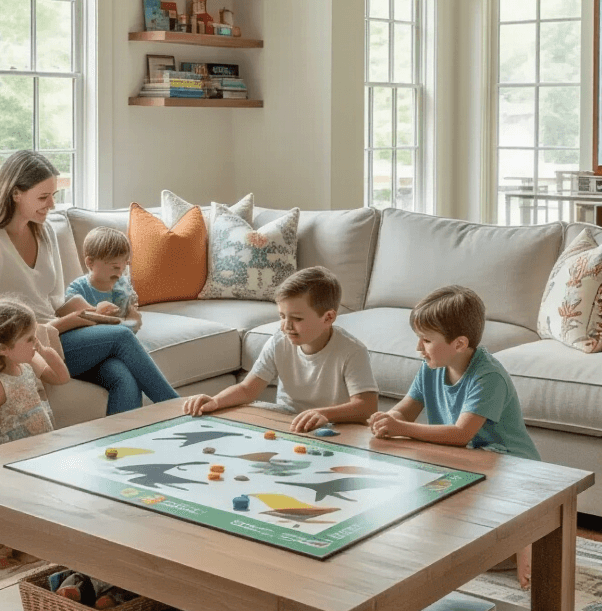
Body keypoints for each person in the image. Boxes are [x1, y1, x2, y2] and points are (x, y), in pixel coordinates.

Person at [0, 150, 178, 416]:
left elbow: (55, 301)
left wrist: (92, 313)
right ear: (15, 193)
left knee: (122, 376)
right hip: (20, 344)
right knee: (121, 337)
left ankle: (118, 453)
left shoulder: (44, 231)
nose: (51, 205)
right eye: (42, 197)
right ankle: (181, 411)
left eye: (53, 196)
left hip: (55, 336)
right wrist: (61, 324)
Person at [369, 284, 538, 588]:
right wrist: (388, 419)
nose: (419, 348)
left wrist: (402, 429)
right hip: (464, 459)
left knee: (490, 552)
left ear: (459, 343)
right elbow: (405, 411)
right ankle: (512, 539)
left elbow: (462, 433)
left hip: (509, 465)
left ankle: (529, 537)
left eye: (426, 340)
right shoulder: (431, 366)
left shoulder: (489, 376)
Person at [183, 265, 378, 433]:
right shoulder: (279, 342)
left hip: (336, 428)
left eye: (297, 318)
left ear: (328, 318)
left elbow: (367, 407)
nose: (286, 326)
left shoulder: (352, 351)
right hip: (289, 425)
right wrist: (216, 401)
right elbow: (247, 389)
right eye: (282, 316)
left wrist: (323, 413)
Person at [0, 295, 70, 567]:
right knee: (32, 510)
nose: (35, 343)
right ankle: (10, 548)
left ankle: (29, 541)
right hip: (13, 468)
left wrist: (46, 351)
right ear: (3, 349)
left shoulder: (27, 364)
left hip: (41, 458)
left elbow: (61, 378)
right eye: (30, 339)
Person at [65, 227, 143, 334]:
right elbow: (69, 318)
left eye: (124, 267)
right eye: (115, 267)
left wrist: (132, 315)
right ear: (90, 263)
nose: (120, 274)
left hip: (120, 334)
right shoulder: (78, 289)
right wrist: (98, 312)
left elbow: (133, 318)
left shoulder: (123, 284)